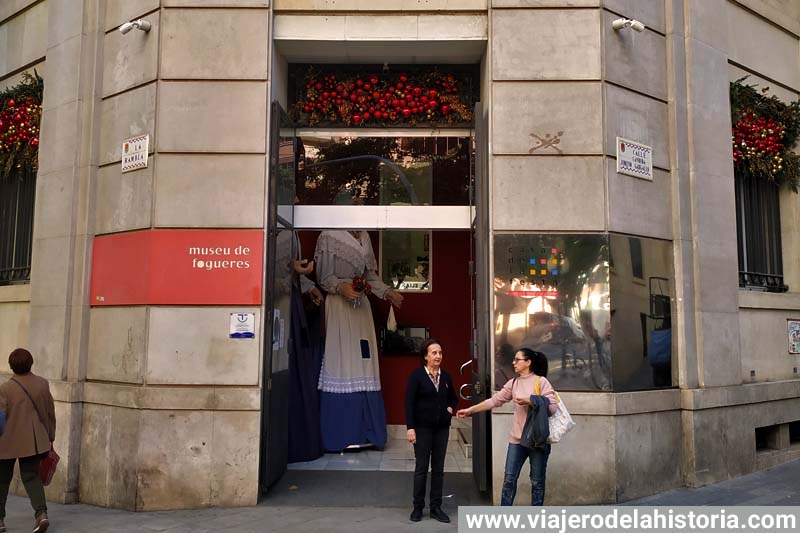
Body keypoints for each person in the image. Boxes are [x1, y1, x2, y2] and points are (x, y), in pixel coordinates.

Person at [314, 230, 403, 451]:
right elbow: (324, 276)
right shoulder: (328, 236)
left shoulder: (364, 237)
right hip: (339, 306)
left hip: (361, 308)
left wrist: (387, 292)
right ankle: (340, 435)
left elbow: (370, 277)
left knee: (365, 363)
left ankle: (368, 433)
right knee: (342, 362)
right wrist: (340, 286)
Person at [457, 348, 557, 506]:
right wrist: (470, 410)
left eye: (517, 359)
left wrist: (530, 400)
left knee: (537, 482)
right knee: (509, 480)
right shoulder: (514, 383)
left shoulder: (541, 382)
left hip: (537, 441)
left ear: (528, 362)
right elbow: (494, 401)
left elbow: (552, 408)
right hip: (516, 441)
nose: (513, 362)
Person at [0, 348, 56, 533]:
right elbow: (49, 412)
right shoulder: (42, 384)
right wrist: (50, 435)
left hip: (7, 441)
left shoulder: (5, 389)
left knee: (2, 479)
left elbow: (0, 418)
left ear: (11, 365)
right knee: (32, 477)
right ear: (31, 363)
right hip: (34, 440)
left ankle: (0, 520)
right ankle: (42, 514)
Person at [405, 339, 458, 523]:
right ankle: (418, 507)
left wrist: (450, 409)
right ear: (425, 356)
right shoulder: (417, 376)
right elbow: (409, 404)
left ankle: (436, 507)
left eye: (440, 353)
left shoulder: (446, 376)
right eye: (434, 353)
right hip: (422, 429)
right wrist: (410, 428)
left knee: (438, 469)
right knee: (421, 468)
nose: (438, 356)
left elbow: (453, 398)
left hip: (441, 429)